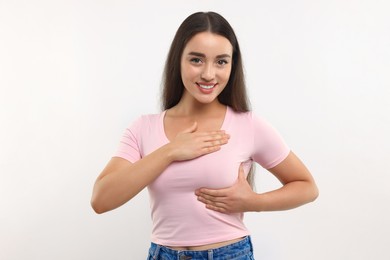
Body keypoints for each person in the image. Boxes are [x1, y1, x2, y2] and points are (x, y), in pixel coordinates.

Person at [91, 11, 319, 260]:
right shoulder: (143, 128)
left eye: (221, 62)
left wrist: (253, 202)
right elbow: (101, 200)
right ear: (178, 60)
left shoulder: (248, 125)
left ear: (232, 65)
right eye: (197, 60)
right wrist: (170, 151)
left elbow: (307, 187)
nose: (209, 74)